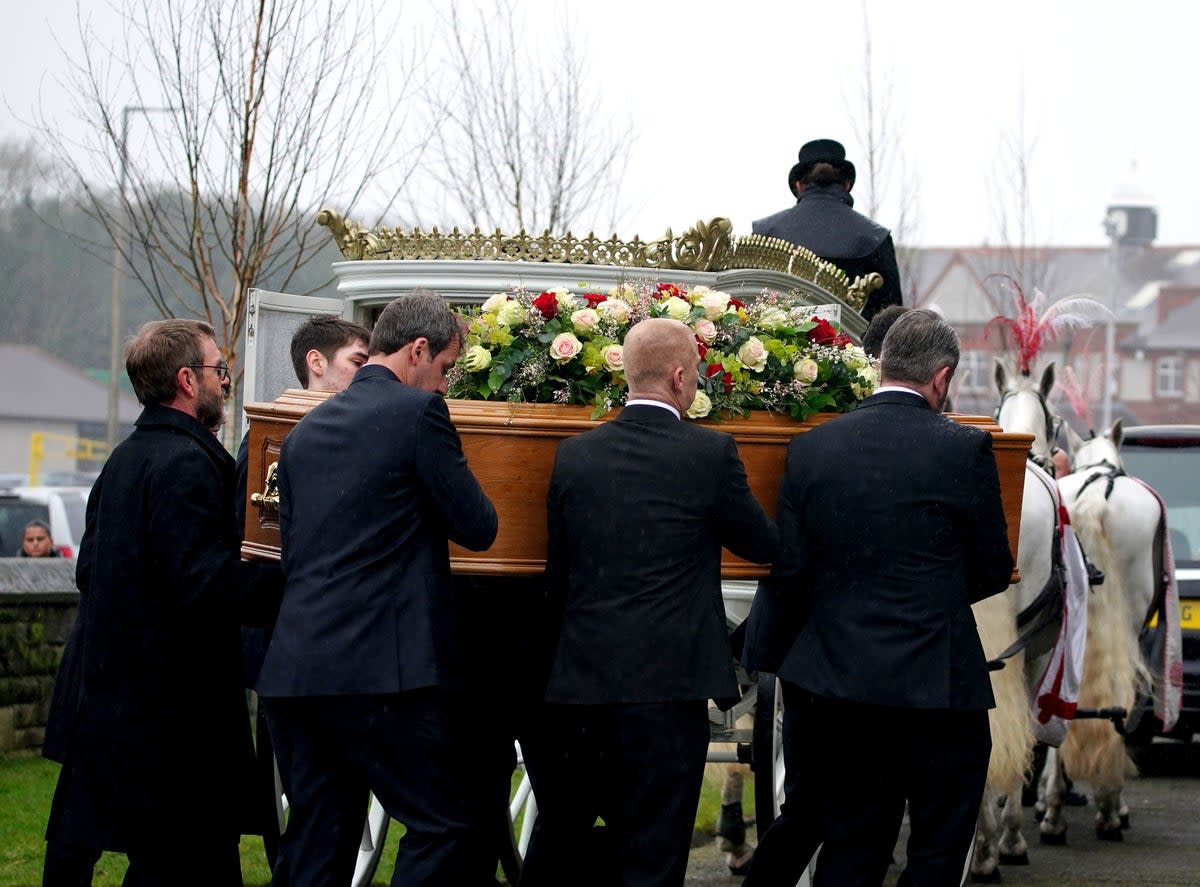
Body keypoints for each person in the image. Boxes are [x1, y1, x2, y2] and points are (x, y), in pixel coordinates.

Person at [743, 308, 1013, 887]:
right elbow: (993, 568)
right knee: (938, 849)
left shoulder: (814, 448)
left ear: (881, 365)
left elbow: (790, 568)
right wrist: (931, 596)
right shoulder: (964, 448)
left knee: (851, 848)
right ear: (941, 378)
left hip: (840, 687)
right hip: (935, 686)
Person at [518, 318, 778, 887]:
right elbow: (762, 545)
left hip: (581, 688)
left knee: (562, 837)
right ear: (681, 378)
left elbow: (558, 576)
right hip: (667, 691)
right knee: (654, 855)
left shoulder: (575, 456)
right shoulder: (709, 454)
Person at [256, 291, 498, 887]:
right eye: (444, 369)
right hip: (377, 672)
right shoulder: (418, 416)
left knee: (319, 834)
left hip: (295, 669)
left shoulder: (306, 431)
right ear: (419, 350)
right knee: (443, 822)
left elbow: (294, 548)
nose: (444, 386)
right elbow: (478, 526)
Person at [42, 319, 284, 887]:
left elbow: (89, 569)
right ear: (185, 380)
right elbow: (204, 585)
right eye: (218, 371)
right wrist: (290, 584)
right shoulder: (184, 465)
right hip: (177, 720)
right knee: (188, 860)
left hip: (121, 704)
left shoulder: (124, 459)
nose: (225, 384)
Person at [234, 314, 370, 532]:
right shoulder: (267, 435)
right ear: (317, 362)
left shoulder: (368, 429)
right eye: (357, 363)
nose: (368, 373)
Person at [752, 139, 903, 322]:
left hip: (773, 346)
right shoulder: (876, 237)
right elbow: (893, 318)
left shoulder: (765, 232)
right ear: (846, 185)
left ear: (799, 185)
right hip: (856, 347)